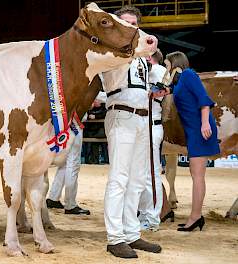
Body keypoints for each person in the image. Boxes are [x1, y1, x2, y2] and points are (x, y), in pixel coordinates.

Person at [102, 6, 163, 258]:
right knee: (119, 178)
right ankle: (115, 237)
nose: (130, 27)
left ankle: (131, 232)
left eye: (133, 24)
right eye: (125, 23)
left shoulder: (141, 60)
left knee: (137, 180)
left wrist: (156, 91)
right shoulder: (111, 52)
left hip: (142, 119)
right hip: (121, 114)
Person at [164, 51, 220, 232]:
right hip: (193, 129)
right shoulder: (180, 81)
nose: (166, 69)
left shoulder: (189, 74)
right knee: (195, 173)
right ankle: (196, 216)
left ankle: (195, 217)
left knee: (197, 175)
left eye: (167, 64)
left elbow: (204, 100)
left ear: (175, 63)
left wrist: (205, 123)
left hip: (200, 129)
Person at [137, 49, 167, 231]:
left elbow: (160, 92)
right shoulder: (141, 71)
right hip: (140, 126)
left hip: (152, 125)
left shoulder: (159, 71)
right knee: (140, 174)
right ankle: (143, 212)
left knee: (151, 174)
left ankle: (153, 218)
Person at [46, 114, 90, 215]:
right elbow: (97, 101)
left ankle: (53, 198)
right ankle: (70, 204)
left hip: (61, 125)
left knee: (65, 162)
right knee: (73, 164)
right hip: (74, 124)